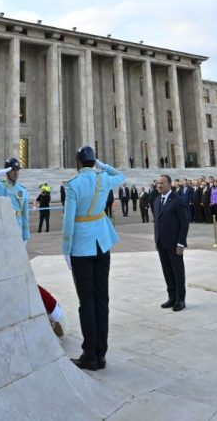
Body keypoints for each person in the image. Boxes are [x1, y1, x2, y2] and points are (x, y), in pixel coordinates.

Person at [0, 158, 67, 336]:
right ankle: (49, 310)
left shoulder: (22, 190)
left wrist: (25, 237)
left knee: (20, 276)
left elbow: (25, 217)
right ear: (7, 171)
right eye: (13, 170)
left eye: (18, 170)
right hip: (3, 235)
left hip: (17, 236)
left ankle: (49, 311)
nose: (16, 173)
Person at [61, 146, 123, 371]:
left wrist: (66, 248)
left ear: (78, 162)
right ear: (93, 162)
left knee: (86, 301)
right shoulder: (103, 178)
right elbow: (120, 176)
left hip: (81, 247)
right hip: (102, 243)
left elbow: (68, 220)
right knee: (101, 299)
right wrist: (102, 165)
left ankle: (89, 355)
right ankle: (101, 353)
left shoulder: (73, 185)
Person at [152, 174, 190, 312]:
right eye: (158, 183)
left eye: (162, 183)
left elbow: (184, 223)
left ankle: (180, 300)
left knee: (177, 272)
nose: (159, 185)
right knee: (167, 271)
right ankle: (172, 297)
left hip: (174, 244)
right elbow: (157, 222)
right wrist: (157, 240)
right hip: (161, 242)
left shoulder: (178, 200)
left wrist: (181, 243)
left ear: (169, 184)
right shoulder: (157, 200)